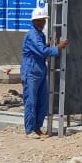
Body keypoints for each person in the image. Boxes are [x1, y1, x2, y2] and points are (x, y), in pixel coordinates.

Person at [21, 7, 67, 137]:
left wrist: (49, 45)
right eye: (41, 20)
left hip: (39, 71)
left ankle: (37, 127)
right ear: (35, 21)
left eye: (44, 20)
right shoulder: (32, 35)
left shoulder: (39, 34)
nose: (43, 22)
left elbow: (40, 49)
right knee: (31, 101)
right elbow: (42, 51)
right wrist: (58, 47)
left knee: (42, 101)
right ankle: (30, 130)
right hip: (31, 72)